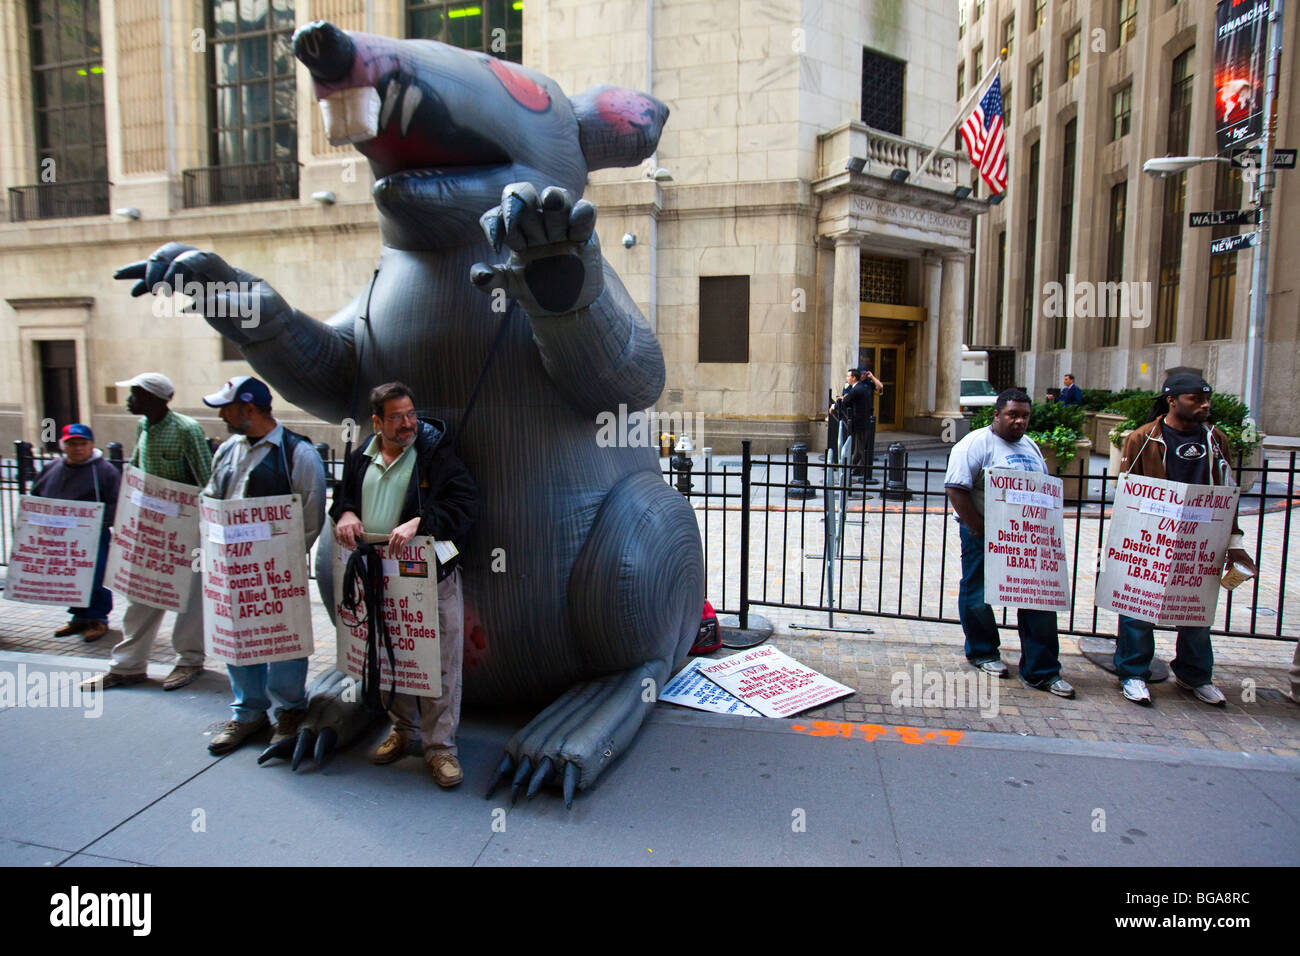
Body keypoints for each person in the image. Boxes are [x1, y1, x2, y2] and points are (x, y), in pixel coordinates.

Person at [330, 382, 478, 788]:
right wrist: (344, 513)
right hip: (380, 578)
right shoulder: (362, 455)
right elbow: (342, 498)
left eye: (411, 414)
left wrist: (422, 521)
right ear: (377, 422)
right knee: (390, 654)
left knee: (439, 663)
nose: (408, 423)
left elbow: (465, 504)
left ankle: (441, 747)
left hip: (430, 576)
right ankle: (403, 730)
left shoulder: (434, 452)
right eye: (397, 417)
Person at [199, 376, 327, 756]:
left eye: (227, 407)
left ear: (249, 409)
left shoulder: (298, 453)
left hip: (276, 570)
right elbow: (211, 495)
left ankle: (289, 709)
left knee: (283, 638)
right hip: (231, 569)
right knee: (238, 639)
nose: (222, 414)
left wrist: (280, 558)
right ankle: (249, 711)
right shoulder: (227, 450)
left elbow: (311, 512)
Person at [1114, 372, 1257, 707]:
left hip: (1202, 540)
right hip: (1151, 538)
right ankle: (1133, 674)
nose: (1206, 405)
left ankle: (1195, 676)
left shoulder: (1215, 438)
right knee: (1138, 608)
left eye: (1208, 398)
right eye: (1197, 399)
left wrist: (1235, 543)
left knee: (1196, 612)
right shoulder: (1144, 439)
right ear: (1172, 400)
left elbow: (1227, 494)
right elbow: (1126, 493)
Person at [82, 373, 213, 691]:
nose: (129, 399)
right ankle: (128, 665)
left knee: (191, 598)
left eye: (136, 393)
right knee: (140, 594)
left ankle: (189, 660)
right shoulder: (143, 426)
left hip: (187, 529)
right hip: (151, 529)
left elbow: (207, 477)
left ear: (154, 398)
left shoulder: (186, 429)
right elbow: (138, 475)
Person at [944, 388, 1075, 697]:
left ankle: (1042, 670)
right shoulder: (975, 444)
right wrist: (978, 527)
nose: (1019, 422)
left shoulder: (1030, 447)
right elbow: (956, 488)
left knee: (1038, 600)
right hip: (982, 534)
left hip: (1026, 541)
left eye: (1025, 416)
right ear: (997, 415)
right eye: (1012, 415)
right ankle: (983, 652)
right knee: (977, 593)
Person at [32, 424, 121, 643]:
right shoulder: (51, 468)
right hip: (59, 536)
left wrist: (94, 521)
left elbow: (117, 503)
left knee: (95, 576)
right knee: (70, 575)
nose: (78, 448)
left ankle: (97, 618)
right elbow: (36, 497)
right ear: (64, 445)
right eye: (73, 444)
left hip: (92, 534)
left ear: (92, 445)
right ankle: (79, 617)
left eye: (83, 444)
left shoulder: (105, 471)